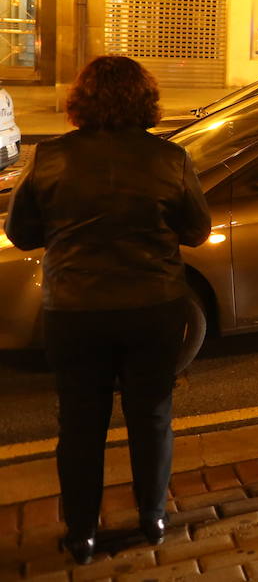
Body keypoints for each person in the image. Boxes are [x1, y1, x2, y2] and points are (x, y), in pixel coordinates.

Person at [5, 56, 211, 565]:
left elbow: (22, 232)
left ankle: (80, 534)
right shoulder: (169, 159)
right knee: (152, 415)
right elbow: (197, 230)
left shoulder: (51, 157)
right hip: (153, 306)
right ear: (147, 101)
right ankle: (152, 518)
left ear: (81, 100)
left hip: (74, 310)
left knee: (79, 423)